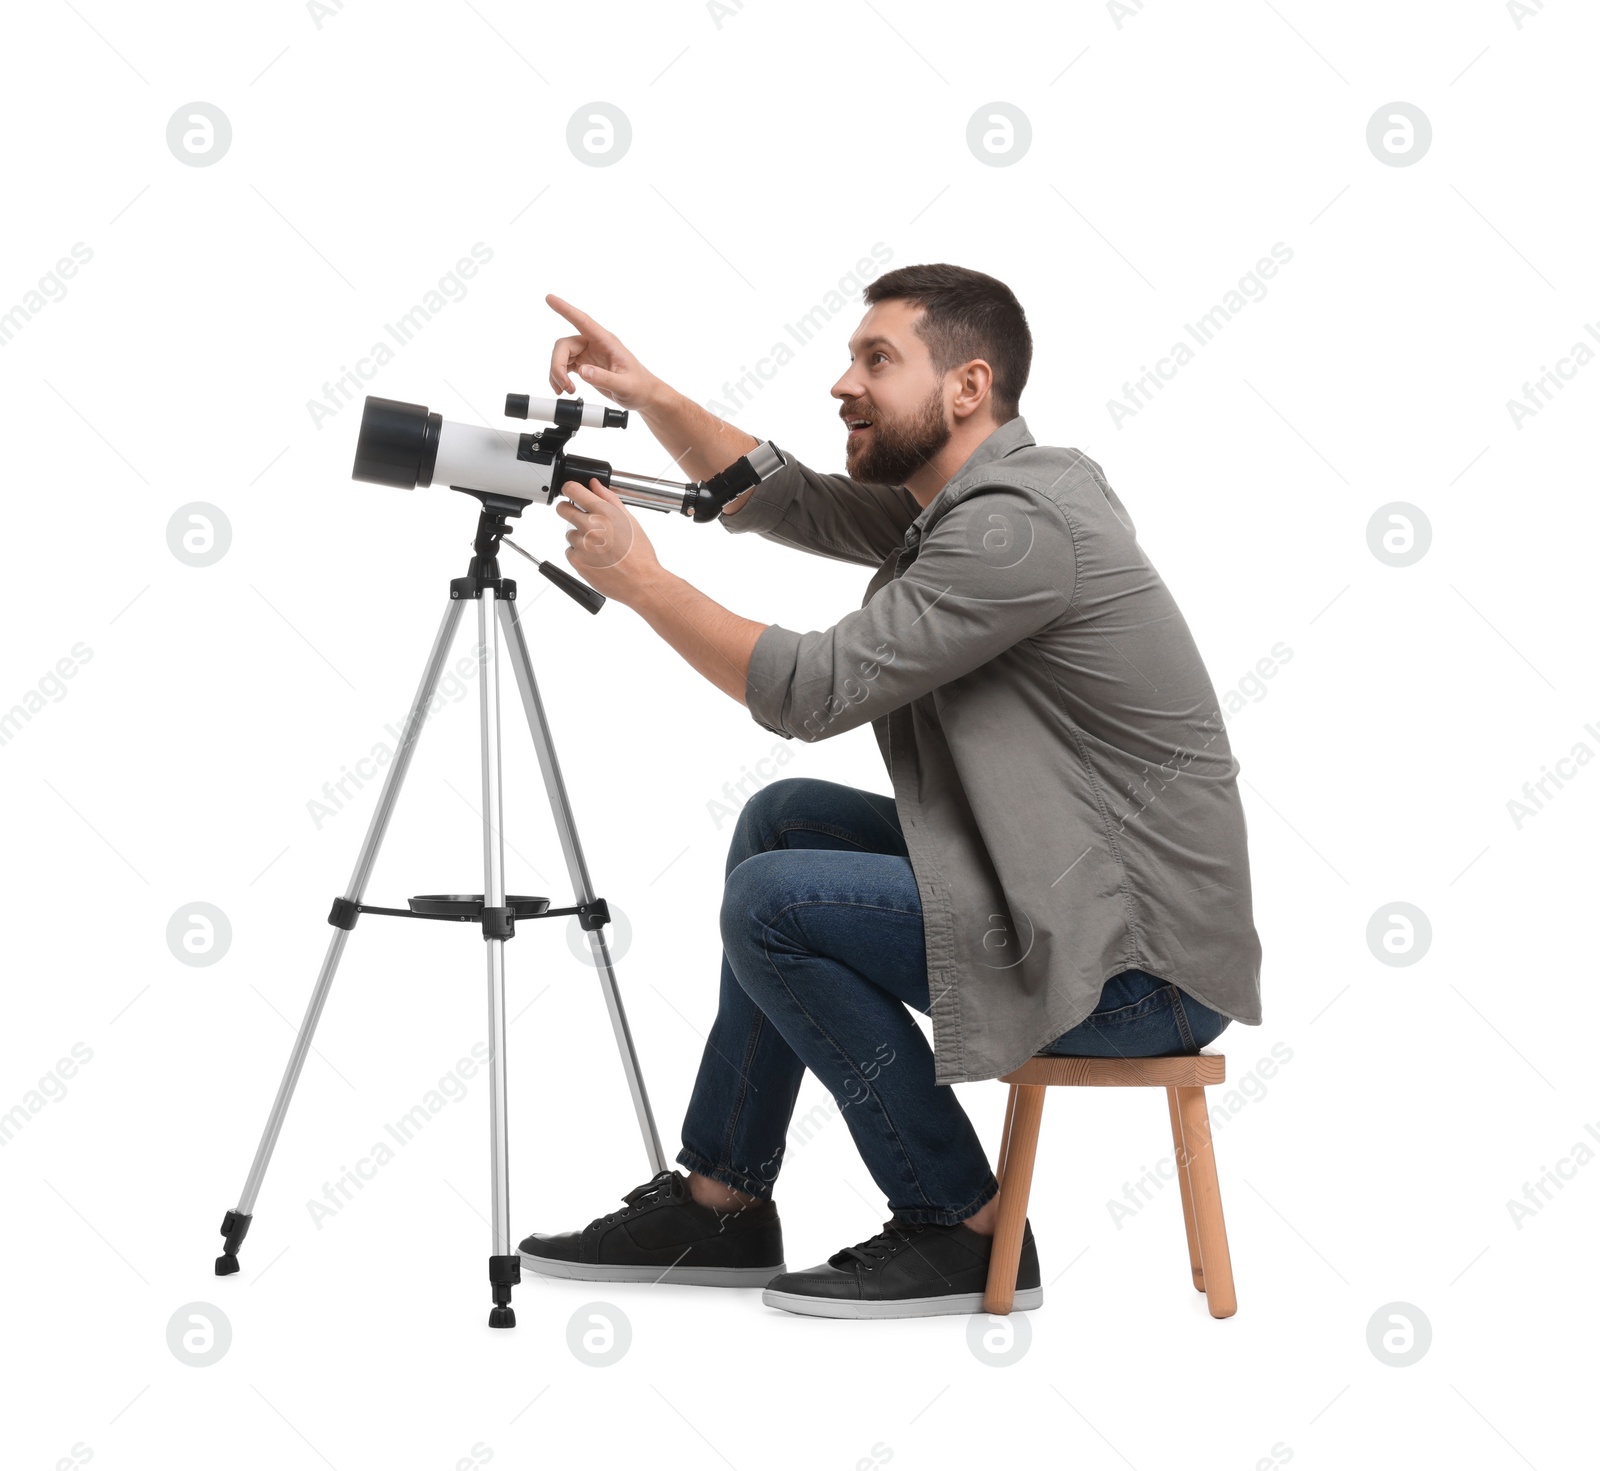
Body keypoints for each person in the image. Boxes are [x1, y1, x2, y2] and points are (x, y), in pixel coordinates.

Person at [516, 264, 1262, 1319]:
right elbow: (794, 501)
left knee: (772, 902)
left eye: (877, 360)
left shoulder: (1017, 529)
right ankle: (721, 1197)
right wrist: (650, 395)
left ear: (966, 387)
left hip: (1135, 970)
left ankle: (958, 1221)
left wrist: (640, 582)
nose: (842, 384)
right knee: (784, 822)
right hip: (1069, 902)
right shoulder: (982, 500)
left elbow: (812, 689)